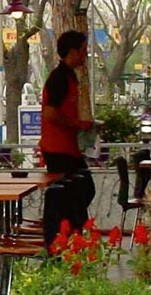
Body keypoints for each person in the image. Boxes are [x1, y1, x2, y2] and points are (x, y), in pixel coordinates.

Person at [40, 30, 96, 237]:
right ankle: (60, 234)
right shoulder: (59, 78)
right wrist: (76, 124)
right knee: (72, 192)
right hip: (58, 149)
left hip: (69, 147)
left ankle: (71, 231)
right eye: (83, 50)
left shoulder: (70, 77)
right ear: (72, 52)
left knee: (82, 190)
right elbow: (50, 113)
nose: (85, 54)